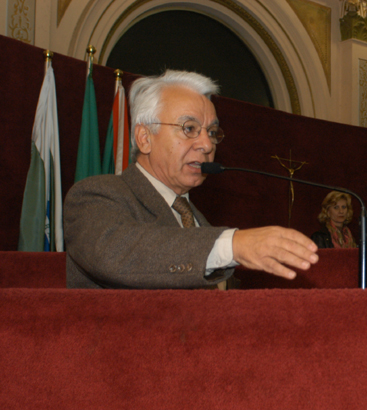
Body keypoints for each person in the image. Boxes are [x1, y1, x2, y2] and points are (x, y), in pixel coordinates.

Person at [64, 70, 318, 289]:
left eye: (212, 132)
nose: (207, 144)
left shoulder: (197, 220)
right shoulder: (95, 196)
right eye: (189, 129)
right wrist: (233, 245)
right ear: (144, 138)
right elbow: (114, 253)